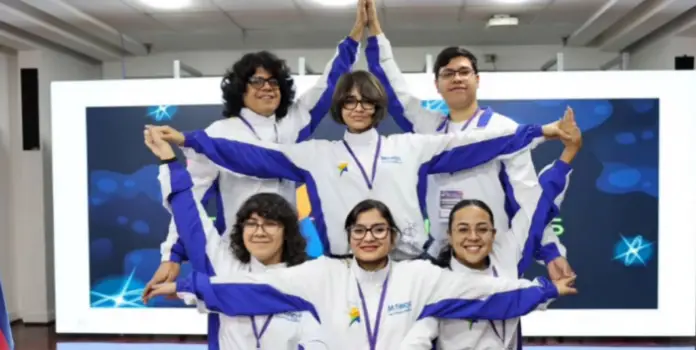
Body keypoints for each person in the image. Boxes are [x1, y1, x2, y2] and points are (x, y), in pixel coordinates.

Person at [146, 70, 573, 261]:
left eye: (366, 100)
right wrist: (189, 140)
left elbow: (479, 143)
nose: (357, 107)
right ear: (338, 107)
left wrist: (543, 131)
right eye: (348, 100)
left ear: (377, 106)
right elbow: (246, 155)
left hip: (407, 266)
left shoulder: (412, 146)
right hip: (340, 268)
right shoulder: (315, 155)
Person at [145, 0, 368, 300]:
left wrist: (353, 39)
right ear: (240, 88)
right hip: (236, 257)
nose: (267, 87)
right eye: (257, 81)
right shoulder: (218, 134)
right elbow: (191, 200)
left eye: (274, 81)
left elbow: (328, 84)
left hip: (288, 255)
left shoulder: (293, 123)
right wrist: (171, 255)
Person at [144, 198, 578, 350]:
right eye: (360, 230)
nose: (369, 237)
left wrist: (543, 289)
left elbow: (488, 294)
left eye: (378, 229)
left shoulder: (422, 277)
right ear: (349, 236)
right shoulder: (322, 274)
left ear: (391, 236)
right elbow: (254, 289)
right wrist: (185, 285)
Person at [362, 0, 574, 280]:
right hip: (441, 257)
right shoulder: (429, 128)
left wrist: (550, 250)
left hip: (492, 258)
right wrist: (375, 31)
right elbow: (393, 88)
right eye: (447, 74)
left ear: (477, 79)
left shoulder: (503, 130)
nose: (457, 79)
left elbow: (528, 199)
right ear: (436, 85)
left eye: (464, 72)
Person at [398, 112, 582, 350]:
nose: (473, 237)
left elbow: (539, 204)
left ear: (494, 234)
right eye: (463, 230)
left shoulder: (506, 255)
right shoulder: (435, 280)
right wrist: (546, 291)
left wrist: (568, 153)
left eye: (482, 229)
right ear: (450, 237)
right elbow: (418, 338)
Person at [144, 128, 328, 350]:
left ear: (287, 232)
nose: (259, 232)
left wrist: (192, 288)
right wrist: (168, 160)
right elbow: (189, 214)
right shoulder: (223, 264)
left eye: (270, 224)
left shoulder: (308, 278)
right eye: (251, 224)